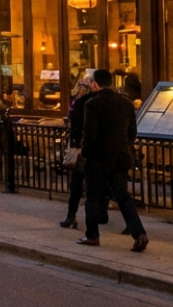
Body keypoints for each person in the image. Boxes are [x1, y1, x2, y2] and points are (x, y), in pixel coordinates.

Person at [79, 68, 149, 252]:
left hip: (98, 158)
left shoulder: (92, 104)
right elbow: (132, 133)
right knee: (123, 196)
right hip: (120, 156)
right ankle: (139, 233)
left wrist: (84, 153)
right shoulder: (126, 103)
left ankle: (92, 235)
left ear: (95, 84)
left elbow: (89, 135)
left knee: (93, 196)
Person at [60, 73, 96, 229]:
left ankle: (72, 216)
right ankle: (72, 215)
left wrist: (75, 144)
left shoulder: (79, 103)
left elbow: (75, 126)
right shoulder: (85, 102)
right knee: (85, 183)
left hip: (82, 148)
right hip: (88, 147)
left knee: (78, 183)